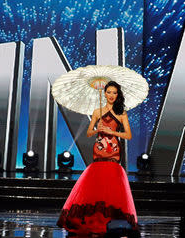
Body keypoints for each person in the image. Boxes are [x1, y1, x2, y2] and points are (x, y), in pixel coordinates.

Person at [57, 81, 138, 235]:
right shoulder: (97, 112)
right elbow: (88, 133)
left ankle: (110, 220)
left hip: (113, 150)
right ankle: (94, 219)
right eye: (109, 92)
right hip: (99, 149)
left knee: (111, 183)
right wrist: (97, 129)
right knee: (97, 182)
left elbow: (128, 135)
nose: (112, 95)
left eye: (115, 93)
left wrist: (111, 132)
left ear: (118, 95)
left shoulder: (121, 113)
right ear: (104, 94)